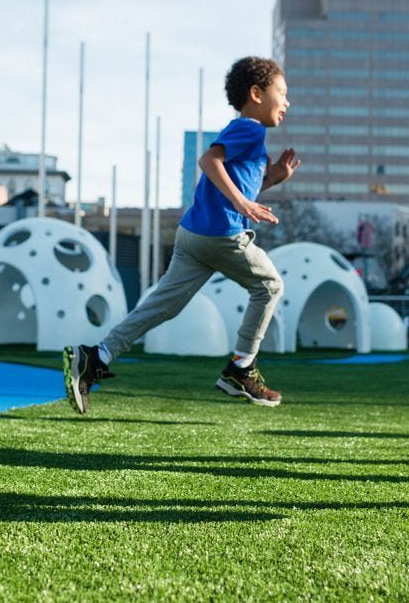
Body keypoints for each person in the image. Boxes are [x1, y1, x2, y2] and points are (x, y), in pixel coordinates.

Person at [63, 56, 300, 415]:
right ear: (256, 94)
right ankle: (240, 368)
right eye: (281, 93)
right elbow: (208, 161)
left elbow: (235, 184)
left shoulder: (248, 136)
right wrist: (243, 204)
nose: (287, 102)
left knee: (163, 305)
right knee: (269, 287)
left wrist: (271, 180)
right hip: (222, 236)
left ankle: (96, 357)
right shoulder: (251, 129)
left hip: (193, 236)